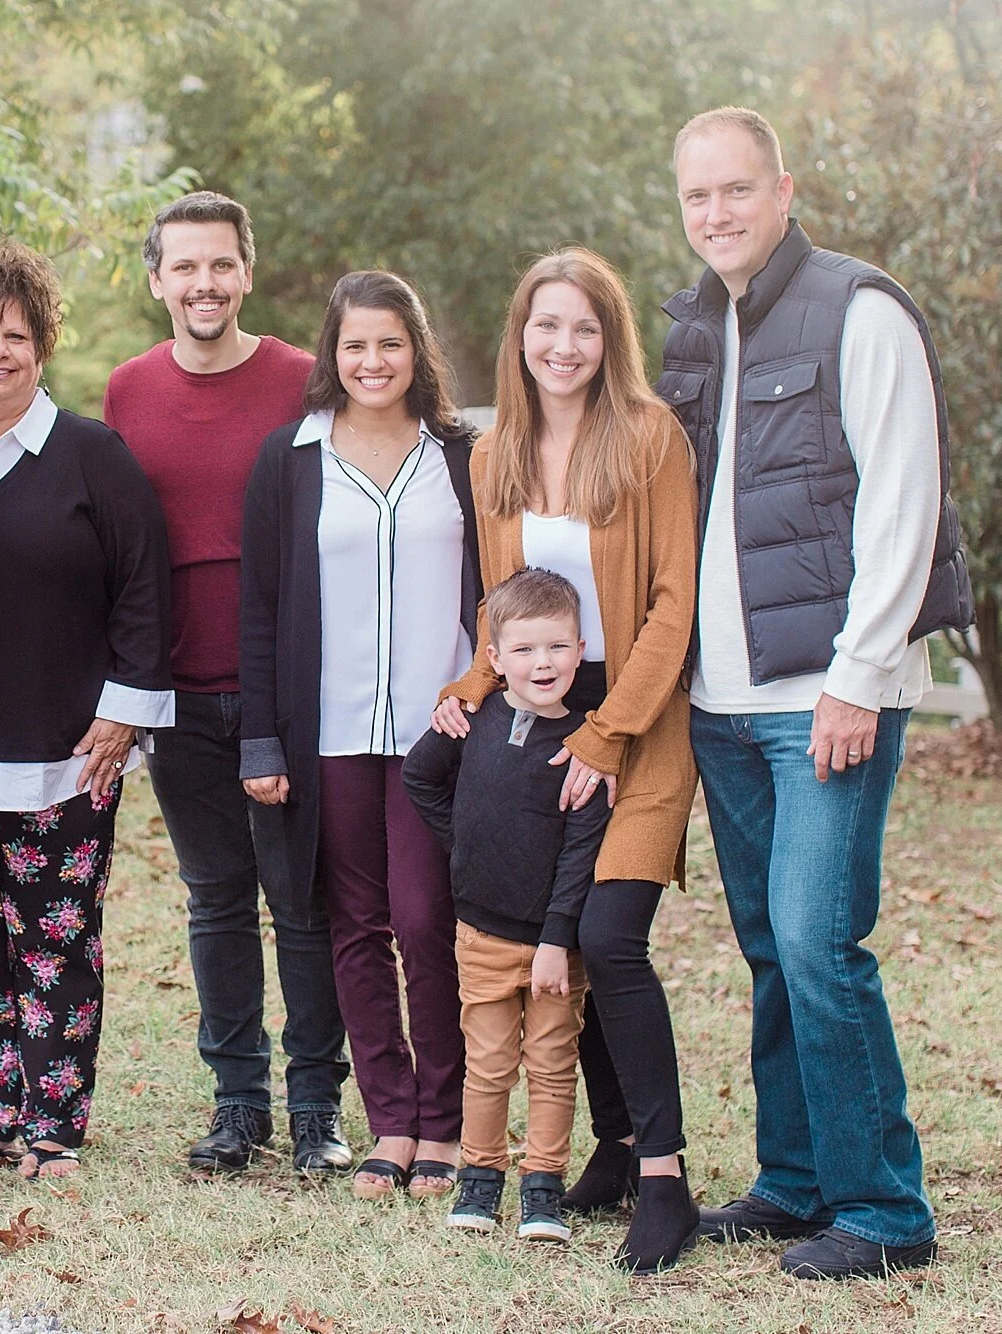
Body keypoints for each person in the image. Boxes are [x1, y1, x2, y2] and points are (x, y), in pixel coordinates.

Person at [660, 107, 972, 1280]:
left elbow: (901, 498)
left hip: (828, 693)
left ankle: (884, 1209)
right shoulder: (693, 322)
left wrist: (856, 673)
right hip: (722, 701)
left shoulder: (858, 306)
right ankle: (794, 1181)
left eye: (735, 191)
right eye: (696, 198)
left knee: (816, 936)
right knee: (764, 944)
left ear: (782, 189)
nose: (716, 215)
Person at [431, 246, 699, 1272]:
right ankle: (616, 1149)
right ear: (518, 338)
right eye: (545, 326)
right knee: (562, 945)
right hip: (532, 731)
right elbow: (505, 618)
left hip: (633, 721)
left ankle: (666, 1179)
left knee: (605, 933)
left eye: (583, 327)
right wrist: (469, 688)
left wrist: (605, 729)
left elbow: (670, 600)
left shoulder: (646, 437)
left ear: (609, 338)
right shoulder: (494, 454)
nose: (562, 345)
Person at [0, 238, 174, 1181]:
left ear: (43, 343)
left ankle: (55, 1124)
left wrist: (125, 710)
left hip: (64, 749)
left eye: (15, 334)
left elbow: (144, 589)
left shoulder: (92, 456)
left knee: (54, 944)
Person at [103, 192, 352, 1175]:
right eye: (184, 267)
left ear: (245, 271)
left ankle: (316, 1105)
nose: (202, 284)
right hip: (177, 691)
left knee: (301, 899)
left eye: (220, 265)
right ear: (157, 279)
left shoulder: (303, 380)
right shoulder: (127, 390)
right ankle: (236, 1103)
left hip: (286, 692)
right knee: (214, 897)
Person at [240, 270, 479, 1199]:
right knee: (353, 925)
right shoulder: (291, 459)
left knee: (426, 920)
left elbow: (500, 592)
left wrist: (483, 692)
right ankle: (391, 1122)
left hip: (437, 735)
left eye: (389, 343)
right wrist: (261, 740)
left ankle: (447, 1119)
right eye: (354, 345)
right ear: (330, 356)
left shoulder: (461, 453)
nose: (372, 361)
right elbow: (259, 609)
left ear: (416, 351)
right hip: (328, 731)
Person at [402, 569, 607, 1242]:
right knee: (488, 1063)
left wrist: (557, 937)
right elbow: (420, 777)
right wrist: (464, 847)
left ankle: (542, 1187)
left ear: (580, 649)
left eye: (556, 647)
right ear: (494, 659)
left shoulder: (584, 743)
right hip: (480, 932)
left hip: (553, 944)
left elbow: (582, 852)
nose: (541, 663)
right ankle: (481, 1180)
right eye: (523, 650)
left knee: (551, 1063)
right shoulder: (476, 720)